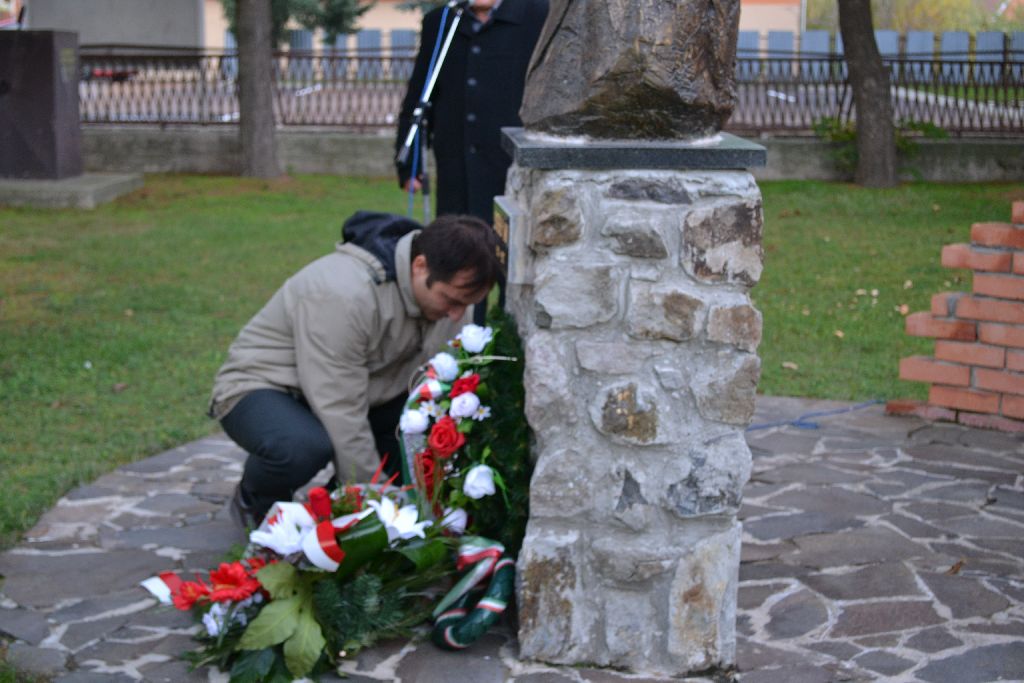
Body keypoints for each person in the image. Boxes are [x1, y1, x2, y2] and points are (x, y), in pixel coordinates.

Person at [209, 212, 504, 527]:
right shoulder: (344, 293)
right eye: (451, 300)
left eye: (467, 304)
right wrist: (377, 504)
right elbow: (339, 405)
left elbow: (437, 390)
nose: (458, 316)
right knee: (302, 447)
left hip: (358, 390)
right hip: (263, 386)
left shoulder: (449, 291)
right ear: (420, 266)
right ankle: (256, 502)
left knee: (418, 434)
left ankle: (331, 516)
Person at [395, 0, 549, 225]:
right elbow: (419, 94)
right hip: (455, 166)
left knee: (505, 239)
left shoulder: (537, 14)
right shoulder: (441, 22)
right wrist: (410, 163)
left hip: (510, 164)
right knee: (457, 240)